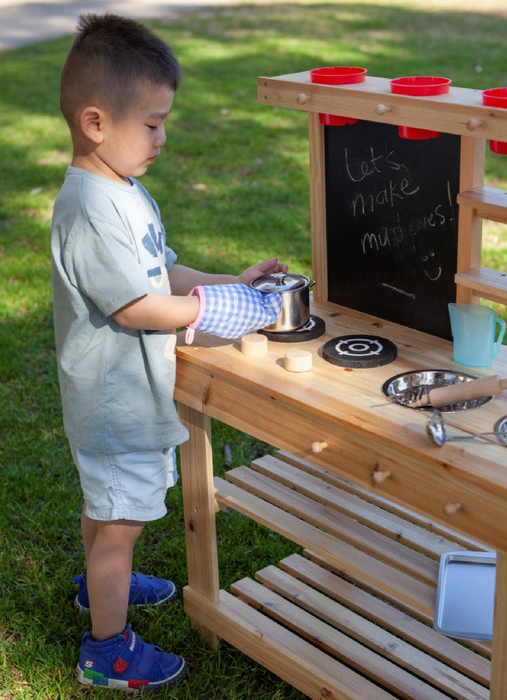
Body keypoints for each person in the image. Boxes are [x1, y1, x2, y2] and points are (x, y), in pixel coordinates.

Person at [51, 13, 286, 693]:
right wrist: (212, 314)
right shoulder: (91, 208)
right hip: (116, 402)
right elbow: (137, 308)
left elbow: (162, 275)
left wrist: (224, 284)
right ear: (97, 123)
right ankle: (107, 648)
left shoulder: (121, 189)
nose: (163, 136)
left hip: (120, 397)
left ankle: (101, 585)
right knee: (120, 522)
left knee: (107, 508)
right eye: (151, 124)